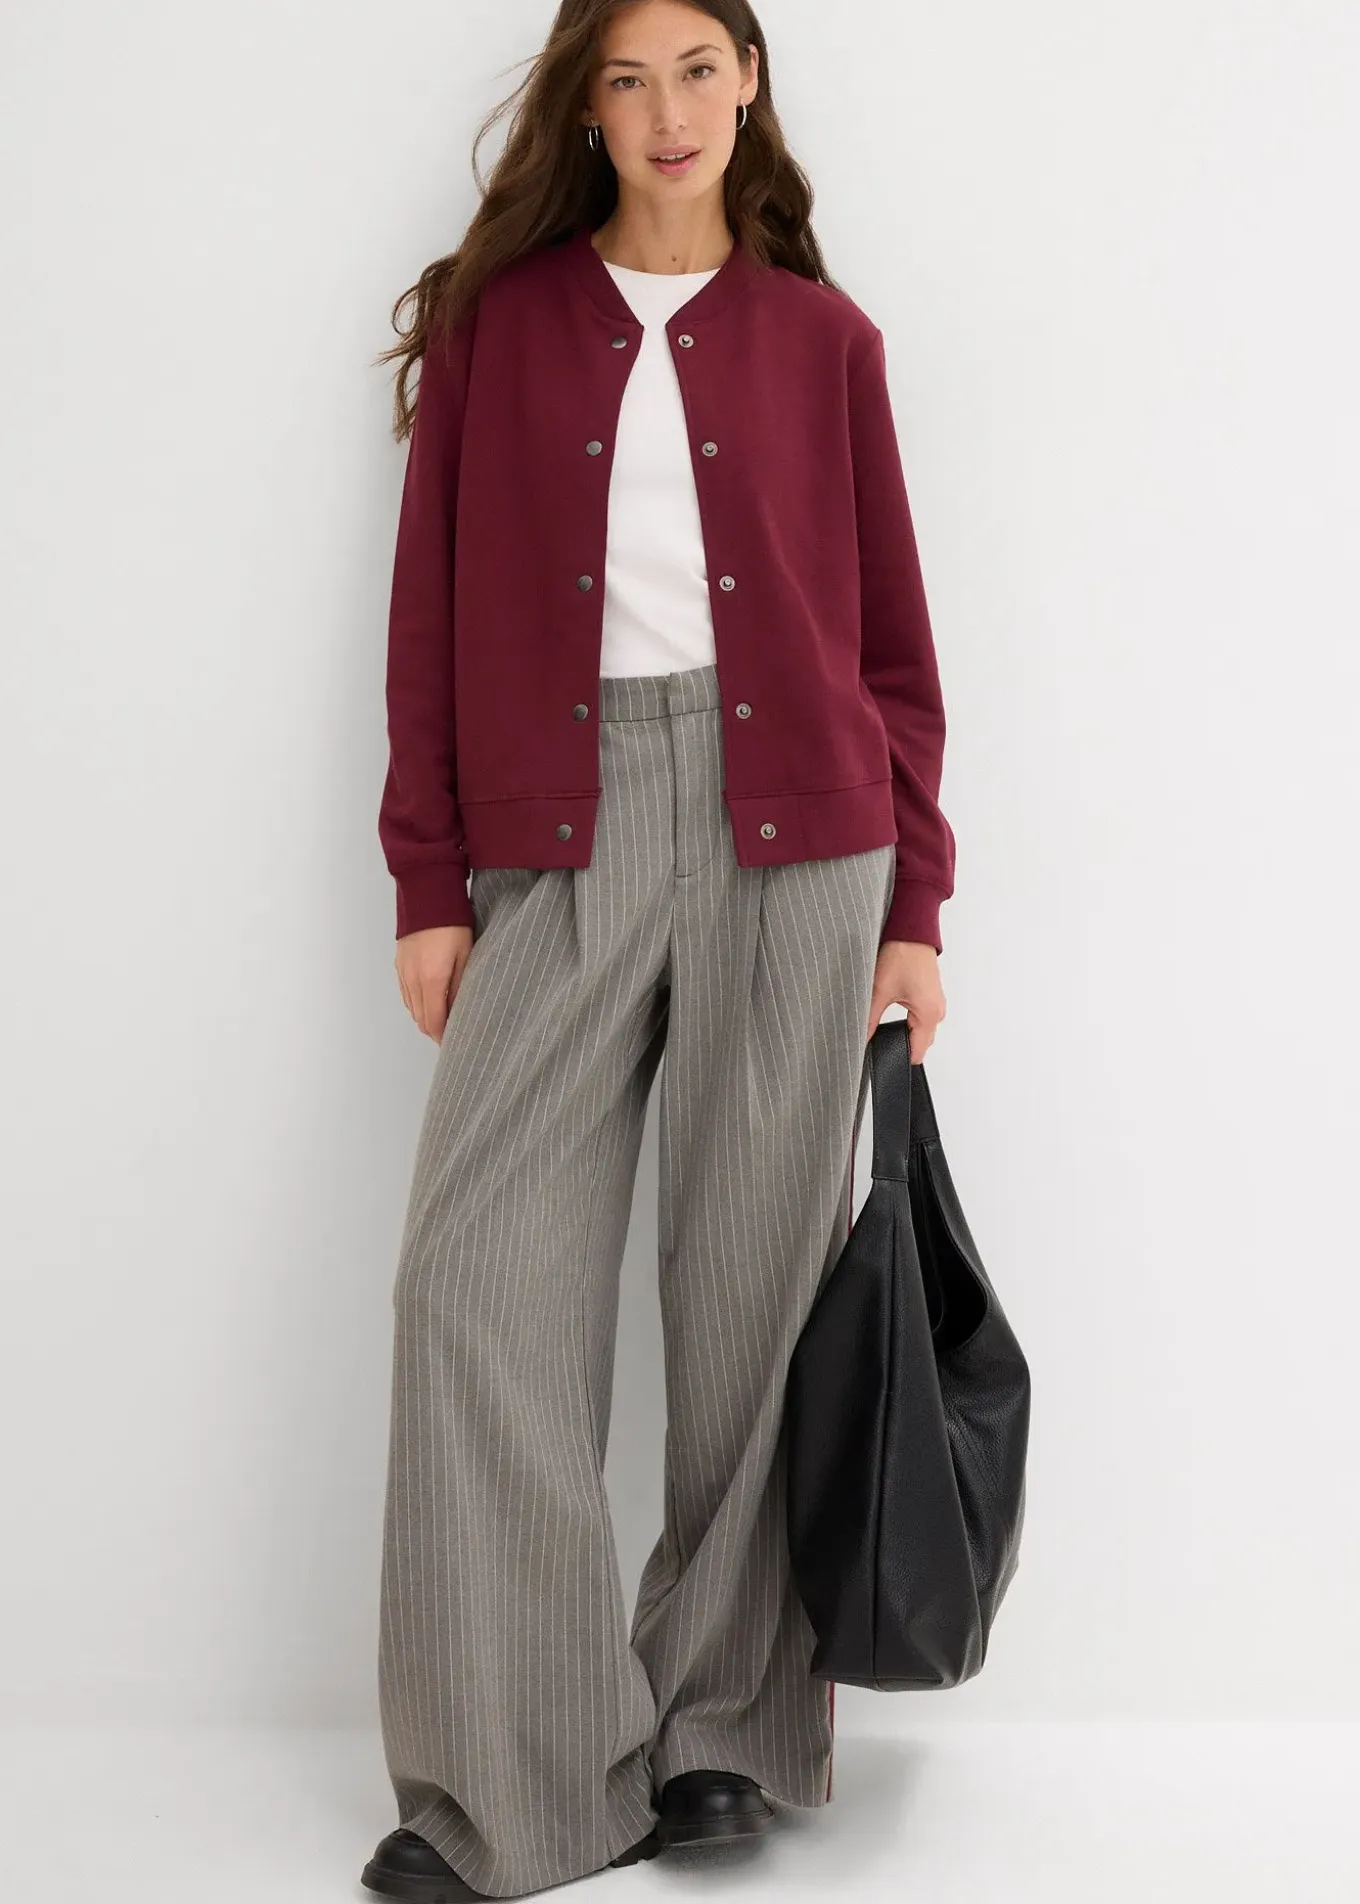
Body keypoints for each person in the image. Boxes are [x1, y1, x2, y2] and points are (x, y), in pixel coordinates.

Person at [361, 1, 954, 1898]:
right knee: (473, 1287)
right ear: (586, 109)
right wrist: (430, 877)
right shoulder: (501, 326)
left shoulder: (824, 342)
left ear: (750, 82)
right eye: (627, 78)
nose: (669, 110)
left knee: (753, 1300)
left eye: (700, 68)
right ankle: (514, 1777)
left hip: (807, 843)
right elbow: (427, 618)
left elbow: (891, 649)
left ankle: (723, 1740)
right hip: (563, 825)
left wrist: (917, 903)